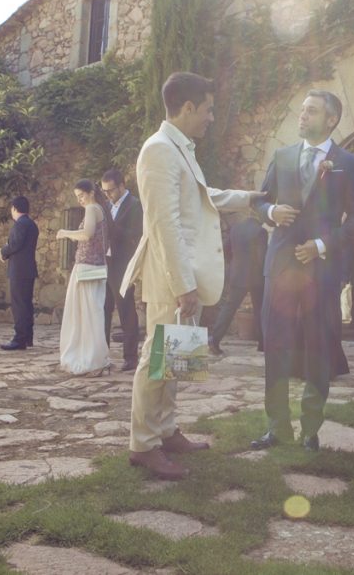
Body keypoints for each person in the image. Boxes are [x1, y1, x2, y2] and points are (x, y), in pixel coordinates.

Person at [121, 72, 261, 479]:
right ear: (187, 108)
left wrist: (249, 198)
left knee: (175, 358)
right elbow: (164, 224)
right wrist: (183, 286)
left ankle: (165, 430)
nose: (211, 117)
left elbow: (203, 197)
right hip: (170, 273)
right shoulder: (159, 150)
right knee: (157, 356)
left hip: (182, 273)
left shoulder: (179, 149)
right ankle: (143, 445)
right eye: (208, 109)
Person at [251, 89, 354, 452]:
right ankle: (277, 427)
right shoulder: (282, 156)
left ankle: (311, 430)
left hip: (321, 272)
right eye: (301, 110)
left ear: (331, 120)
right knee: (275, 347)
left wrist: (321, 246)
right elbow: (259, 200)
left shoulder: (347, 163)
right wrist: (271, 213)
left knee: (318, 349)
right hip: (280, 267)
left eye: (311, 111)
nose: (302, 116)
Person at [58, 179, 112, 377]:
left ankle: (96, 360)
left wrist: (65, 232)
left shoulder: (92, 209)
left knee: (87, 314)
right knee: (91, 312)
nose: (79, 200)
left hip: (88, 266)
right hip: (95, 266)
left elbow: (88, 234)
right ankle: (94, 358)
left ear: (91, 192)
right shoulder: (100, 210)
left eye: (81, 195)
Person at [101, 169, 142, 371]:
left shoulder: (135, 205)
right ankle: (102, 354)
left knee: (126, 310)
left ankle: (131, 357)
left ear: (121, 186)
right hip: (105, 263)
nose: (107, 194)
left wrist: (111, 228)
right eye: (104, 191)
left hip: (123, 265)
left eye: (110, 190)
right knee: (103, 309)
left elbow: (136, 234)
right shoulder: (107, 206)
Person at [209, 212, 268, 355]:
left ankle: (214, 339)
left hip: (237, 275)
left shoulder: (236, 228)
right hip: (255, 277)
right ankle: (262, 344)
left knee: (229, 307)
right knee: (259, 309)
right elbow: (262, 257)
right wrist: (266, 275)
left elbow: (226, 249)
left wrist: (233, 264)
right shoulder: (261, 231)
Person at [0, 196, 39, 350]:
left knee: (19, 305)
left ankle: (20, 338)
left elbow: (16, 244)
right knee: (26, 304)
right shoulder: (31, 224)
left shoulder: (20, 224)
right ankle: (27, 336)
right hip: (28, 269)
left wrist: (3, 251)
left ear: (14, 208)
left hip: (19, 271)